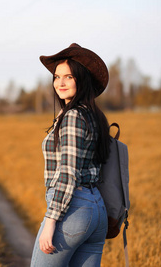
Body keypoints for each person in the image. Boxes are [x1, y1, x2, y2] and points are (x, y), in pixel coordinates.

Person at [30, 43, 111, 267]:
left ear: (81, 80)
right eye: (57, 77)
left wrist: (50, 220)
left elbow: (67, 172)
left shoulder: (73, 116)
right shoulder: (94, 115)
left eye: (69, 77)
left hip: (73, 210)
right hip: (97, 210)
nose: (60, 83)